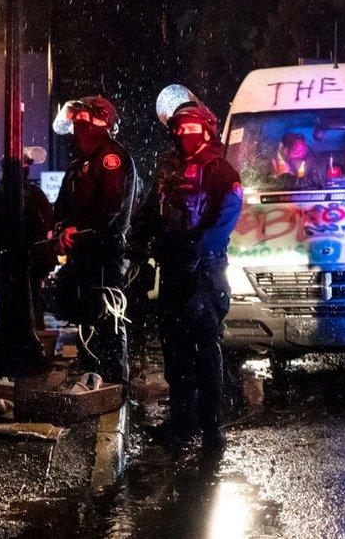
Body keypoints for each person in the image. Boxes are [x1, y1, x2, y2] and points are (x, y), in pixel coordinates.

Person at [145, 84, 243, 450]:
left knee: (206, 350)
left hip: (204, 272)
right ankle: (181, 423)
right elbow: (149, 213)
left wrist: (195, 251)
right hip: (173, 272)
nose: (185, 136)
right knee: (175, 350)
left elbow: (225, 218)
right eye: (179, 130)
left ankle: (212, 429)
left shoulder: (220, 170)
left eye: (191, 129)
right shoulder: (168, 171)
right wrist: (142, 247)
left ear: (206, 130)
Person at [51, 96, 137, 386]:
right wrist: (62, 231)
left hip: (104, 252)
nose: (76, 130)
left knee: (109, 317)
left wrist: (81, 231)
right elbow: (62, 208)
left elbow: (110, 209)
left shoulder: (111, 158)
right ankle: (92, 376)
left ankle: (114, 382)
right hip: (82, 253)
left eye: (80, 122)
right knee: (85, 315)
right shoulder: (80, 163)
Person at [0, 166, 57, 332]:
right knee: (29, 300)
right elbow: (50, 219)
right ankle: (32, 337)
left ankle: (10, 337)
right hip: (21, 258)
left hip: (16, 258)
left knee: (12, 301)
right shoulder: (33, 194)